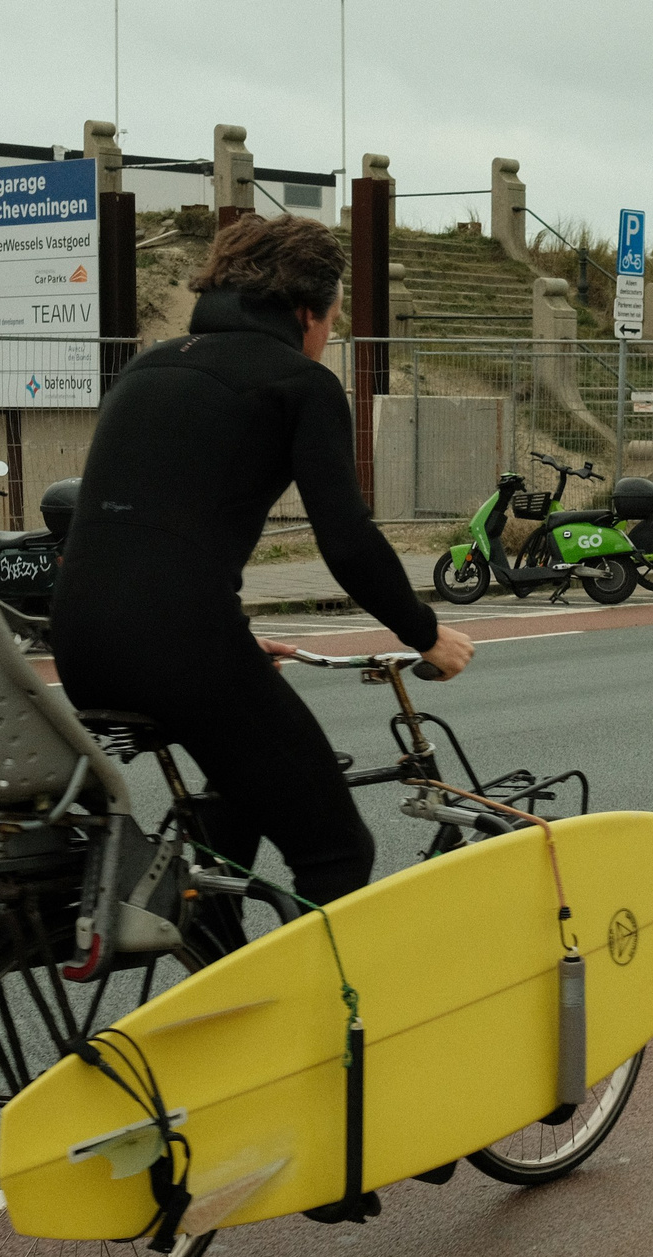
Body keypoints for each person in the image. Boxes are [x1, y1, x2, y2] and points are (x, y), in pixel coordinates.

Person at [51, 216, 473, 905]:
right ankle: (317, 1014)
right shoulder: (297, 382)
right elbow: (348, 540)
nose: (329, 335)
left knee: (237, 802)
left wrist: (230, 630)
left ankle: (214, 969)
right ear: (307, 310)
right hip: (182, 647)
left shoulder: (147, 369)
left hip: (80, 642)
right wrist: (427, 634)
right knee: (336, 849)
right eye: (332, 319)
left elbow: (158, 526)